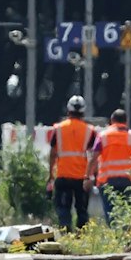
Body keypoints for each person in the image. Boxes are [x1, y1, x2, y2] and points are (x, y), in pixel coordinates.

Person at [88, 108, 131, 224]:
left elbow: (93, 158)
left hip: (107, 182)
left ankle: (114, 232)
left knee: (111, 214)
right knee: (127, 213)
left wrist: (88, 176)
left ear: (112, 120)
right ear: (126, 121)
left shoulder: (103, 136)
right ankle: (126, 232)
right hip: (128, 181)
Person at [48, 96, 96, 230]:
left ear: (68, 110)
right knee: (82, 211)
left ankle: (66, 233)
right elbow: (93, 156)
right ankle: (81, 237)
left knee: (63, 209)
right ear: (83, 111)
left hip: (63, 175)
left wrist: (51, 174)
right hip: (82, 178)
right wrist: (91, 176)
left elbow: (52, 154)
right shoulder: (90, 130)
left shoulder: (58, 128)